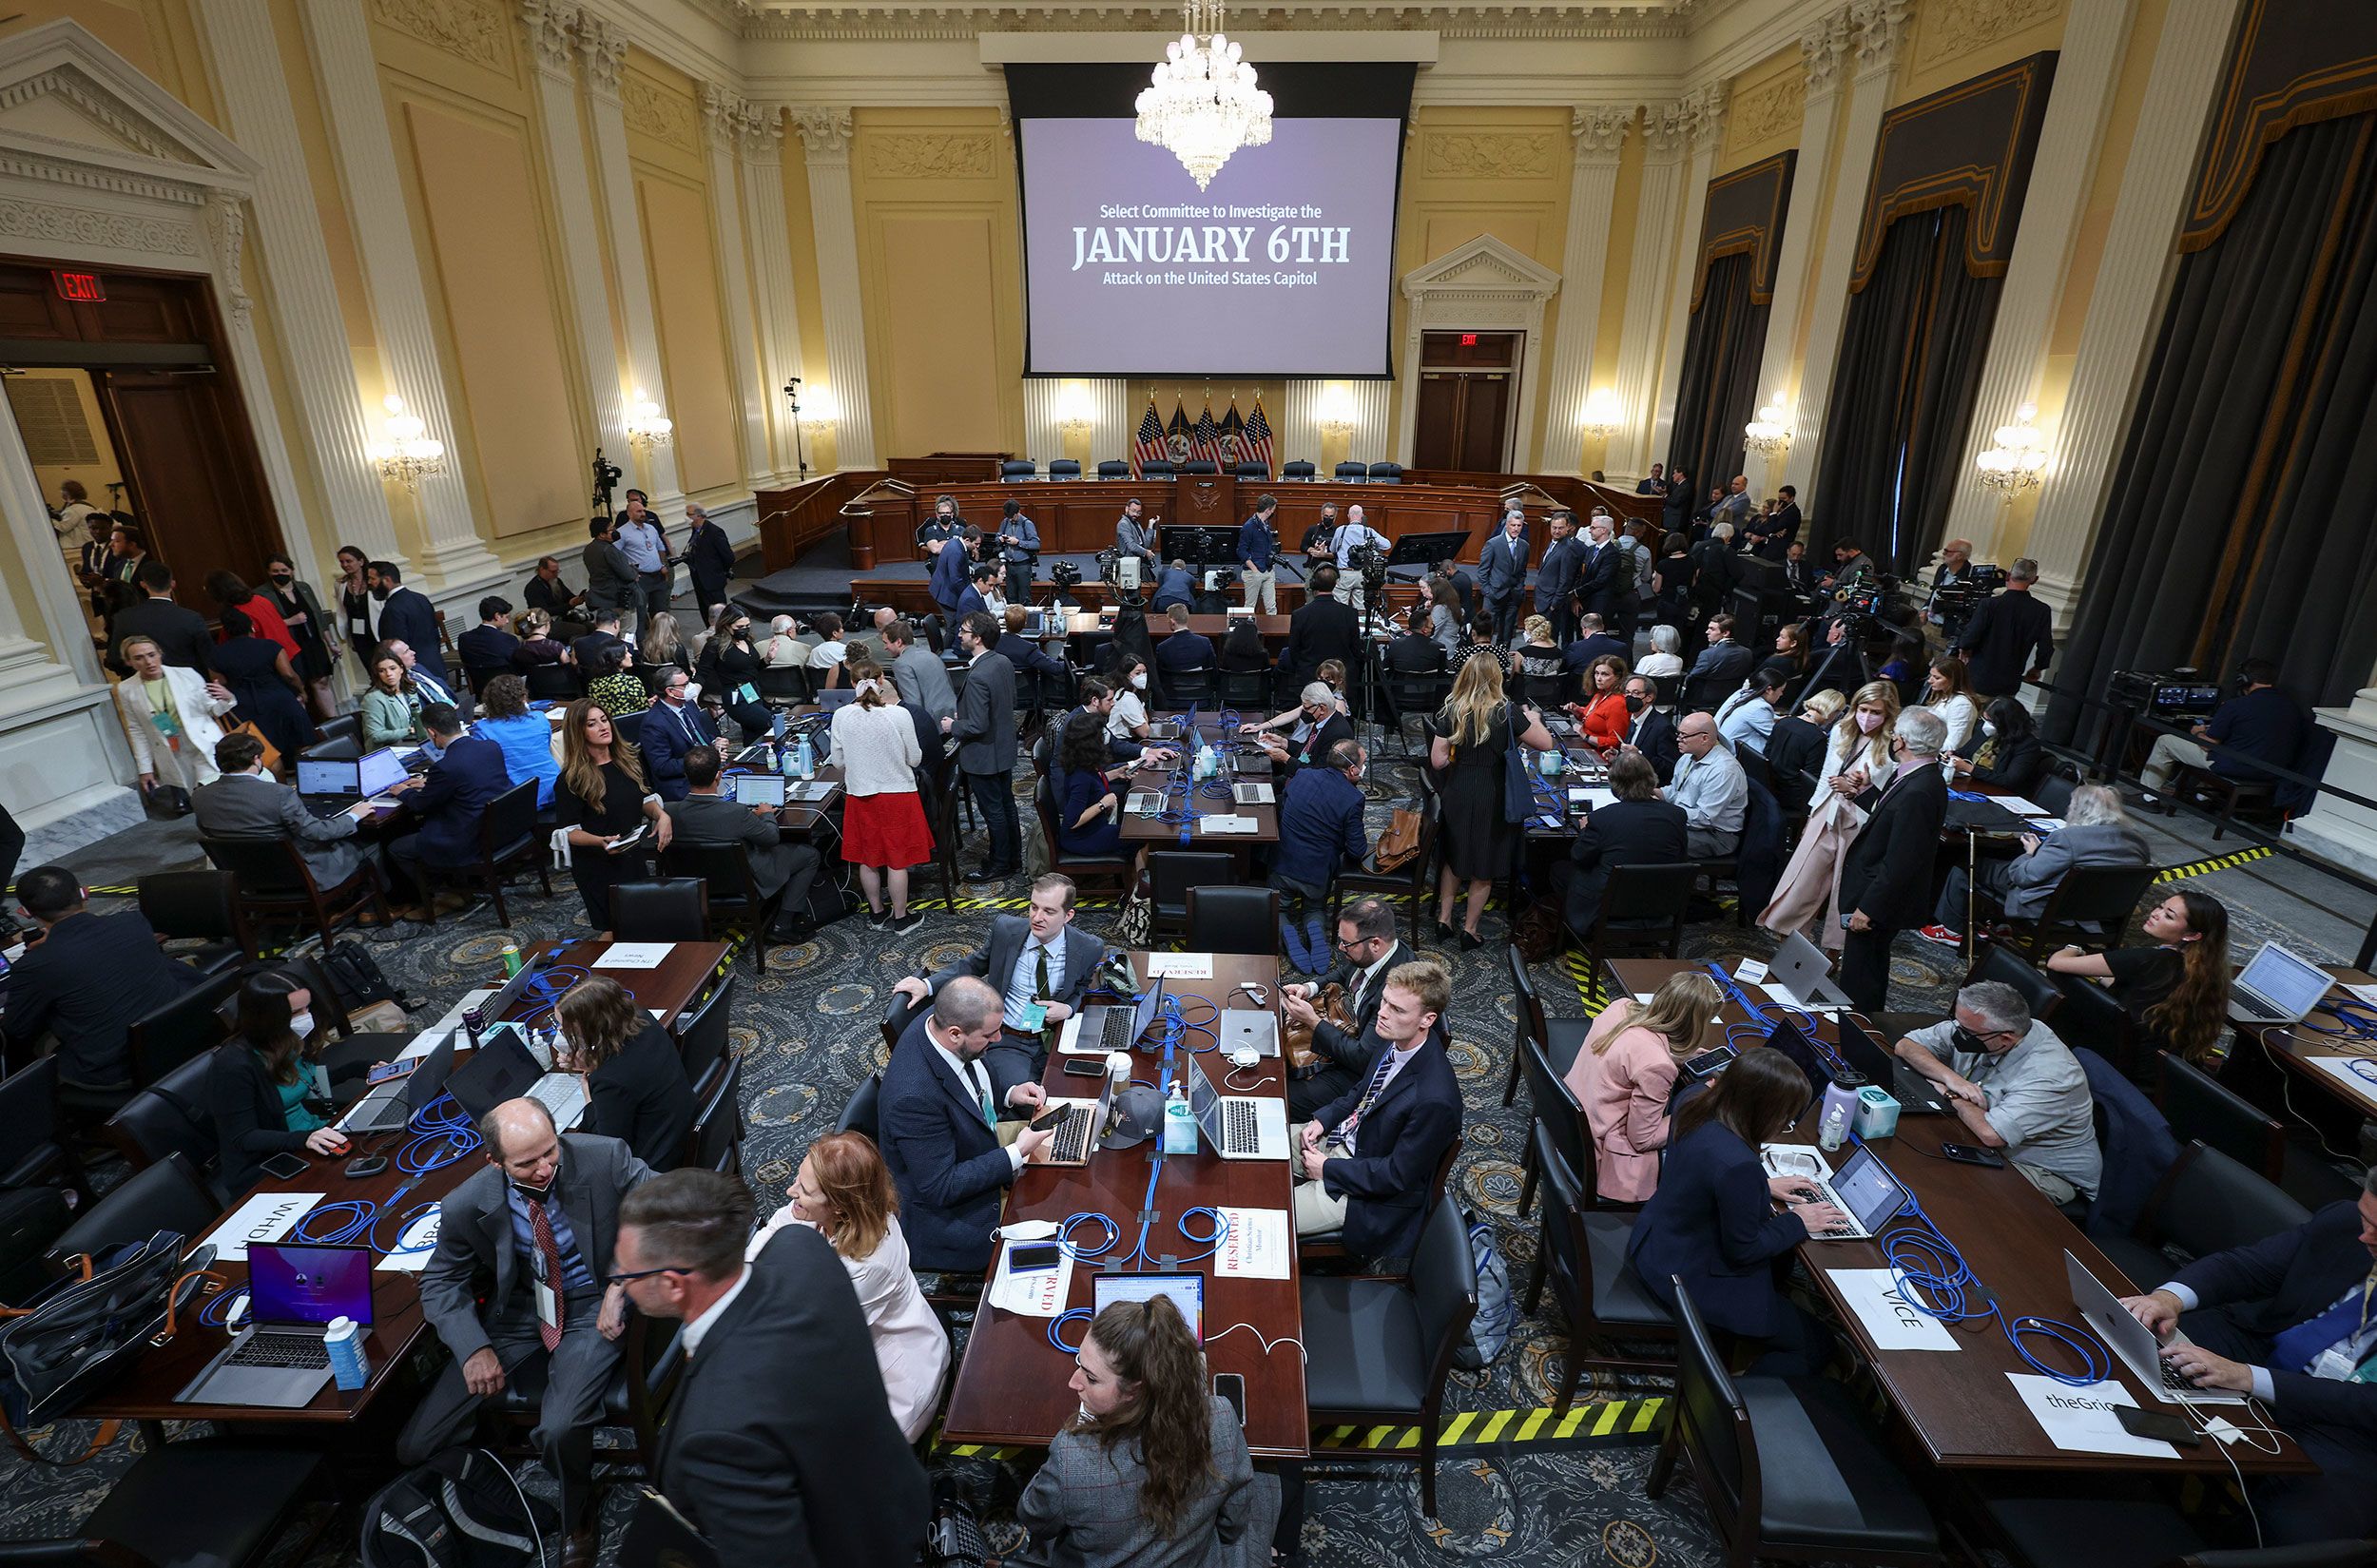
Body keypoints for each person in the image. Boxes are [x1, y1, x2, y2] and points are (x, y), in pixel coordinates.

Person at [617, 1171, 934, 1564]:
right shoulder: (801, 1248)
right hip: (889, 1499)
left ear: (673, 1285)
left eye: (625, 1276)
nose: (621, 1285)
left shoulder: (716, 1436)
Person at [400, 1100, 649, 1563]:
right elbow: (439, 1280)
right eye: (526, 1163)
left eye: (549, 1152)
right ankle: (499, 1497)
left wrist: (621, 1283)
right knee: (418, 1443)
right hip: (519, 1313)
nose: (544, 1168)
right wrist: (474, 1348)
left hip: (588, 1304)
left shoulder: (605, 1156)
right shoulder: (464, 1202)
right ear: (494, 1162)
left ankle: (577, 1510)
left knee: (559, 1427)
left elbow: (665, 1211)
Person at [1627, 1047, 1846, 1374]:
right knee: (1817, 1343)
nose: (1785, 1124)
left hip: (1656, 1244)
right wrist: (1798, 1221)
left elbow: (1701, 1171)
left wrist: (1761, 1189)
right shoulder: (1738, 1167)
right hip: (1690, 1280)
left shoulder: (1693, 1099)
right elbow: (1744, 1250)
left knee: (1780, 1268)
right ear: (1763, 1112)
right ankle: (1740, 1406)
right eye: (1785, 1117)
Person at [1017, 1293, 1265, 1565]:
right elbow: (1234, 1520)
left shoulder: (1072, 1458)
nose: (1073, 1382)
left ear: (1133, 1391)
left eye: (1091, 1377)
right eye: (1079, 1362)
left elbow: (1034, 1517)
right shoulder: (1222, 1418)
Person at [748, 1133, 952, 1445]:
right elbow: (774, 1229)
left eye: (803, 1190)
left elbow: (805, 1339)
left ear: (840, 1208)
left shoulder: (866, 1267)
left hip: (894, 1386)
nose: (790, 1191)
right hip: (844, 1352)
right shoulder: (850, 1212)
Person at [1286, 959, 1462, 1269]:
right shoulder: (1394, 1039)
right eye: (1384, 1001)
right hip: (1346, 1141)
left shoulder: (1435, 1100)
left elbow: (1396, 1176)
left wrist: (1329, 1169)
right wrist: (1322, 1120)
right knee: (1255, 1142)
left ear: (1427, 1019)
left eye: (1397, 1009)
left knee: (1271, 1214)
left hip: (1365, 1191)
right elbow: (1360, 1095)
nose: (1382, 1013)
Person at [879, 978, 1056, 1271]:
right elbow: (942, 1186)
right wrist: (1015, 1153)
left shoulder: (938, 1023)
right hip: (950, 1217)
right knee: (1057, 1222)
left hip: (976, 1144)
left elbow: (969, 1086)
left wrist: (1010, 1095)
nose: (999, 1039)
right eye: (990, 1034)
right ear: (955, 1034)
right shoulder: (912, 1099)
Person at [893, 873, 1109, 1096]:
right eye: (1034, 907)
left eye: (1049, 911)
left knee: (1087, 1086)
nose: (1037, 917)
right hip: (1009, 1040)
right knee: (1034, 1099)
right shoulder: (1006, 931)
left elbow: (1082, 984)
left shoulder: (1088, 947)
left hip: (1057, 1035)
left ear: (1068, 915)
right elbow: (973, 965)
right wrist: (927, 985)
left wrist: (1069, 1008)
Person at [1893, 980, 2100, 1203]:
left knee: (1945, 1191)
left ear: (2005, 1038)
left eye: (1966, 1031)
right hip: (1983, 1138)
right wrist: (1951, 1079)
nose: (1957, 1034)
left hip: (2040, 1170)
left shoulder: (2052, 1076)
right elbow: (1906, 1046)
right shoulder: (1983, 1029)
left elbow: (1992, 1134)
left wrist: (1951, 1095)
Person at [2, 864, 200, 1095]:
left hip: (115, 1073)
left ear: (26, 912)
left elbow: (17, 1028)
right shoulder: (134, 922)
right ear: (83, 894)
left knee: (29, 1047)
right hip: (181, 1038)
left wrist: (36, 956)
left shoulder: (36, 964)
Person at [195, 731, 406, 909]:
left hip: (247, 877)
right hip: (302, 873)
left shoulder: (199, 796)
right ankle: (381, 906)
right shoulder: (278, 794)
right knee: (371, 845)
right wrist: (354, 815)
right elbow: (318, 833)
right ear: (256, 759)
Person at [1759, 681, 1898, 946]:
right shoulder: (1841, 731)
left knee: (1842, 886)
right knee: (1806, 876)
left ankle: (1836, 948)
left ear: (1888, 714)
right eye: (1863, 709)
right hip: (1828, 808)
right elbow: (1826, 774)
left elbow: (1888, 792)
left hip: (1861, 819)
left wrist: (1859, 788)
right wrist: (1813, 812)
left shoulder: (1892, 746)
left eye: (1876, 712)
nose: (1867, 718)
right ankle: (1790, 933)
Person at [1923, 784, 2149, 946]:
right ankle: (1998, 923)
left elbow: (2024, 877)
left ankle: (1951, 928)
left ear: (2080, 810)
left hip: (2051, 906)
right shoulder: (2137, 843)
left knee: (1968, 863)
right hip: (2101, 911)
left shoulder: (2069, 839)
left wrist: (2032, 853)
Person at [1428, 657, 1555, 947]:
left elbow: (1436, 761)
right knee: (1484, 863)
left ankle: (1444, 920)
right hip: (1493, 792)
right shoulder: (1507, 712)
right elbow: (1546, 744)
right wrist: (1534, 720)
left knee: (1454, 855)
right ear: (1497, 679)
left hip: (1458, 790)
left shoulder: (1451, 709)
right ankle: (1470, 930)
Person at [1565, 971, 1723, 1203]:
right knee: (1705, 1155)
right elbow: (1643, 1139)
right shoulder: (1658, 1065)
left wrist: (1671, 1055)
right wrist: (1702, 1101)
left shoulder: (1621, 1007)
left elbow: (1633, 1052)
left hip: (1571, 1118)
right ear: (1696, 1025)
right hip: (1597, 1154)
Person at [1837, 707, 1952, 1013]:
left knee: (1862, 974)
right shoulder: (1916, 777)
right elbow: (1889, 820)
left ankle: (1858, 1031)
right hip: (1878, 891)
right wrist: (1863, 792)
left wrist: (1869, 907)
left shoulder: (1919, 789)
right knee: (1863, 967)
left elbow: (1902, 860)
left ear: (1901, 742)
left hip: (1879, 899)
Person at [204, 970, 352, 1195]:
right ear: (267, 1018)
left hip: (315, 1134)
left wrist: (358, 1068)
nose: (306, 1016)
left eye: (307, 1007)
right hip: (274, 1162)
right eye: (296, 1012)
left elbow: (302, 1084)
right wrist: (304, 1139)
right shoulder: (232, 1066)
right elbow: (243, 1137)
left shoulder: (288, 1038)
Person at [2048, 890, 2232, 1065]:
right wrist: (2098, 973)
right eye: (2160, 907)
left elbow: (2056, 963)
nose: (2155, 914)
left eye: (2169, 916)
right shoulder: (2203, 972)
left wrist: (2074, 948)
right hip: (2149, 1063)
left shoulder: (2147, 958)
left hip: (2108, 1051)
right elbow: (2140, 987)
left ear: (2192, 935)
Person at [1282, 898, 1417, 1119]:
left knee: (1278, 1095)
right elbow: (1346, 974)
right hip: (1343, 1036)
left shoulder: (1395, 994)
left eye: (1347, 943)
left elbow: (1362, 1058)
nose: (1341, 948)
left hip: (1355, 1076)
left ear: (1375, 943)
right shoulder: (1377, 953)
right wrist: (1310, 987)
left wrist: (1313, 1021)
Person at [665, 745, 822, 929]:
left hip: (695, 885)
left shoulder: (667, 813)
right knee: (810, 854)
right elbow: (771, 838)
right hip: (745, 880)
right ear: (719, 775)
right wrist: (766, 814)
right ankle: (784, 923)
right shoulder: (736, 812)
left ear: (686, 775)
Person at [547, 975, 693, 1170]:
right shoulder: (643, 1018)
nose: (560, 1032)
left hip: (654, 1167)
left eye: (565, 1028)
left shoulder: (609, 1080)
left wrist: (589, 1094)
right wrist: (595, 1061)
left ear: (590, 1028)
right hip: (678, 1131)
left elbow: (608, 1147)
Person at [553, 697, 672, 933]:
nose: (603, 727)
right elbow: (569, 832)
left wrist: (661, 815)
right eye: (592, 724)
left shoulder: (628, 759)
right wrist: (600, 841)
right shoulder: (571, 779)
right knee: (614, 927)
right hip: (597, 863)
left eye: (604, 720)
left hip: (630, 853)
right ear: (578, 732)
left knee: (641, 919)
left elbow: (644, 799)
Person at [832, 656, 930, 934]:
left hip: (860, 795)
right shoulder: (899, 715)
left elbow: (838, 763)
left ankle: (877, 914)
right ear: (881, 681)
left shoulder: (841, 716)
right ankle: (901, 918)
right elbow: (914, 758)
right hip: (898, 795)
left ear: (852, 683)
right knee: (897, 861)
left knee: (868, 858)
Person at [1548, 750, 1688, 939]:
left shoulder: (1603, 818)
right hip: (1660, 902)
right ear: (1651, 779)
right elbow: (1681, 857)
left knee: (1558, 869)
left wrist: (1584, 831)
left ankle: (1574, 933)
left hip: (1610, 903)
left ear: (1614, 784)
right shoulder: (1677, 815)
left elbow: (1579, 857)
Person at [2139, 656, 2310, 804]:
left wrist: (2198, 732)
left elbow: (2209, 745)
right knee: (2231, 747)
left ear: (2243, 680)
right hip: (2272, 771)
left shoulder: (2235, 706)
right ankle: (2202, 797)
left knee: (2166, 741)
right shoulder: (2292, 707)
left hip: (2236, 766)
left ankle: (2149, 796)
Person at [385, 703, 508, 903]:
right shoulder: (490, 746)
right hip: (497, 828)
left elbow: (420, 806)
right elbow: (471, 780)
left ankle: (441, 896)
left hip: (466, 839)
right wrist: (429, 784)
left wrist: (404, 792)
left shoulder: (445, 767)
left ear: (432, 733)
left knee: (396, 848)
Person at [114, 633, 238, 798]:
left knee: (211, 790)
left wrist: (227, 698)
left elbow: (212, 710)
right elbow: (137, 730)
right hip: (170, 747)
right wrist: (145, 769)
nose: (149, 662)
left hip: (202, 742)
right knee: (196, 795)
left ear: (160, 653)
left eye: (152, 655)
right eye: (139, 658)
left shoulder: (187, 674)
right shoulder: (126, 688)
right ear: (129, 662)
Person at [949, 611, 1020, 883]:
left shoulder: (979, 674)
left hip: (983, 755)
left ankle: (999, 864)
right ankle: (1013, 859)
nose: (959, 634)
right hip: (1003, 748)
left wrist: (952, 726)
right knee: (1007, 806)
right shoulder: (1002, 662)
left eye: (964, 631)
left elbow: (976, 725)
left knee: (994, 813)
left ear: (977, 639)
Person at [1272, 739, 1369, 935]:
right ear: (1352, 770)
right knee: (1314, 909)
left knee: (1278, 909)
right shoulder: (1353, 799)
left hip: (1283, 862)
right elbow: (1357, 850)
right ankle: (1314, 935)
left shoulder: (1303, 775)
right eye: (1362, 764)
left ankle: (1286, 935)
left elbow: (1284, 805)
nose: (1364, 768)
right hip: (1317, 872)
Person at [1950, 556, 2053, 698]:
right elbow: (2046, 646)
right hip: (2010, 682)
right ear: (2034, 580)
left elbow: (1971, 635)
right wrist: (2038, 668)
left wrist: (1964, 648)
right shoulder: (2042, 611)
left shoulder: (1989, 604)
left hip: (1977, 677)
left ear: (2008, 576)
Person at [261, 553, 337, 720]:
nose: (279, 574)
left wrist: (330, 642)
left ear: (292, 571)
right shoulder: (263, 594)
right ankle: (306, 727)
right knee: (296, 686)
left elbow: (318, 616)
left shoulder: (303, 587)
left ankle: (334, 721)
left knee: (321, 682)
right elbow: (266, 624)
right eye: (275, 571)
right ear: (268, 572)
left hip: (313, 642)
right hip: (288, 646)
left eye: (283, 570)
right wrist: (289, 621)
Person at [1664, 711, 1749, 860]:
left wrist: (1667, 813)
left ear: (1704, 738)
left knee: (1656, 839)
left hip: (1716, 836)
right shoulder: (1687, 757)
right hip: (1690, 823)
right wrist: (1653, 793)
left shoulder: (1723, 771)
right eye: (1679, 734)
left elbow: (1705, 818)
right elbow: (1675, 791)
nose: (1678, 739)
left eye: (1684, 736)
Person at [472, 674, 562, 807]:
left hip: (521, 799)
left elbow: (483, 766)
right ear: (523, 697)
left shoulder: (483, 729)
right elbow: (546, 745)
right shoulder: (540, 718)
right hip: (556, 790)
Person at [109, 561, 214, 673]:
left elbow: (115, 658)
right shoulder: (192, 618)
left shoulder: (125, 618)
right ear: (173, 584)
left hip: (147, 684)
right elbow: (209, 658)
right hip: (190, 683)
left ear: (143, 585)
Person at [1052, 710, 1129, 861]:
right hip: (1083, 838)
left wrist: (1116, 773)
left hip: (1095, 827)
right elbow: (1072, 821)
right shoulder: (1081, 777)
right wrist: (1103, 803)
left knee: (1132, 831)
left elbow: (1093, 785)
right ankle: (1138, 881)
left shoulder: (1083, 765)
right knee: (1137, 837)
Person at [364, 561, 449, 690]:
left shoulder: (392, 609)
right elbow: (435, 633)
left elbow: (393, 651)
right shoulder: (420, 598)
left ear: (386, 580)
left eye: (372, 578)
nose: (369, 582)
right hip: (435, 665)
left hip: (415, 674)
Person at [636, 664, 715, 803]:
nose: (690, 687)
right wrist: (701, 761)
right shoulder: (654, 724)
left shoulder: (688, 705)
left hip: (705, 772)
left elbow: (698, 737)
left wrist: (714, 743)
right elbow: (662, 766)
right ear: (670, 691)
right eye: (685, 684)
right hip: (681, 784)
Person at [1281, 564, 1360, 691]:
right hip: (1340, 676)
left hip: (1309, 676)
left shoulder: (1300, 614)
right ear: (1336, 584)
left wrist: (1303, 667)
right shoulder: (1350, 613)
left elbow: (1294, 649)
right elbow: (1355, 648)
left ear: (1314, 584)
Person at [1252, 682, 1353, 779]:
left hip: (1314, 786)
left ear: (1322, 708)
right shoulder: (1323, 720)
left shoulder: (1337, 733)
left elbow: (1319, 773)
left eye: (1306, 708)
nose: (1304, 712)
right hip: (1302, 774)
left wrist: (1286, 759)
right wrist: (1283, 743)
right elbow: (1308, 751)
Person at [1948, 695, 2046, 796]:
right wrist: (1952, 755)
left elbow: (2009, 780)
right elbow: (1966, 752)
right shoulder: (1985, 731)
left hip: (1999, 793)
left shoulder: (2027, 745)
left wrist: (1969, 769)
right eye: (1984, 719)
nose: (1986, 725)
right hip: (1973, 784)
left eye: (1990, 721)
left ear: (2006, 723)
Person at [875, 616, 953, 724]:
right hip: (952, 714)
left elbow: (913, 703)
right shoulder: (932, 655)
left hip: (932, 721)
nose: (885, 648)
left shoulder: (901, 664)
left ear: (898, 642)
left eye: (886, 643)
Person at [612, 491, 671, 630]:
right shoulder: (622, 532)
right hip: (641, 578)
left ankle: (662, 637)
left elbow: (660, 547)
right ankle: (640, 643)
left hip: (657, 575)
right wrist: (628, 571)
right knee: (639, 613)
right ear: (629, 513)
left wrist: (663, 564)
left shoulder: (651, 528)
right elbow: (615, 554)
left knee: (660, 611)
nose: (643, 514)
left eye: (643, 511)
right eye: (638, 511)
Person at [1611, 672, 1680, 783]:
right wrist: (1618, 756)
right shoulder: (1633, 719)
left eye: (1636, 693)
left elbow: (1670, 768)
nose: (1630, 697)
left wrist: (1639, 756)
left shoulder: (1663, 727)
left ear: (1649, 697)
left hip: (1647, 787)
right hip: (1627, 781)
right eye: (1627, 693)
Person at [1680, 613, 1754, 710]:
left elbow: (1692, 678)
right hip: (1732, 698)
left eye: (1712, 629)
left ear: (1725, 633)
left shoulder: (1707, 654)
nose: (1707, 632)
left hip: (1704, 700)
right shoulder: (1747, 653)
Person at [1712, 664, 1789, 757]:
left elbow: (1753, 716)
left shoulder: (1741, 693)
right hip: (1731, 754)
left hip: (1719, 743)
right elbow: (1776, 736)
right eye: (1781, 690)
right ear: (1769, 689)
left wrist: (1781, 719)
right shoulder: (1760, 707)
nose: (1781, 694)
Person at [1533, 510, 1585, 645]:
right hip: (1543, 599)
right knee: (1542, 639)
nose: (1556, 531)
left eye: (1560, 528)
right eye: (1554, 527)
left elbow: (1565, 580)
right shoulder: (1553, 544)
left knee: (1550, 640)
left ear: (1568, 528)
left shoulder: (1568, 548)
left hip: (1552, 604)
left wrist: (1554, 605)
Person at [359, 647, 426, 748]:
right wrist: (409, 731)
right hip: (389, 750)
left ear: (401, 669)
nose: (389, 674)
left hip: (414, 742)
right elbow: (376, 735)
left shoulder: (409, 689)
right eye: (382, 671)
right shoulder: (373, 699)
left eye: (392, 668)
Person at [1478, 511, 1529, 644]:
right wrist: (1487, 591)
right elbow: (1483, 570)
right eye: (1513, 525)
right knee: (1486, 631)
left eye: (1519, 525)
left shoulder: (1524, 546)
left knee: (1506, 634)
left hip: (1514, 595)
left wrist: (1520, 588)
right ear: (1506, 525)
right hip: (1494, 594)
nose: (1516, 528)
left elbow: (1522, 571)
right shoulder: (1493, 544)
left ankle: (1502, 660)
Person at [581, 514, 639, 627]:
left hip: (599, 598)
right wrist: (634, 572)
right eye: (611, 529)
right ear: (602, 534)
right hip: (617, 598)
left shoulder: (589, 549)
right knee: (627, 630)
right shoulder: (609, 550)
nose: (615, 532)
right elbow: (627, 574)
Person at [456, 596, 520, 693]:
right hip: (508, 693)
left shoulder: (464, 639)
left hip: (482, 693)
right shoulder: (509, 640)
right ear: (497, 616)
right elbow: (519, 668)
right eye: (506, 617)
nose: (507, 621)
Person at [681, 502, 736, 616]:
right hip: (699, 580)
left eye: (688, 514)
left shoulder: (714, 532)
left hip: (712, 580)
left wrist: (719, 571)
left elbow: (729, 557)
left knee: (719, 613)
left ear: (698, 516)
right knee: (705, 611)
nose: (686, 517)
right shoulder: (695, 531)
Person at [1920, 654, 1980, 752]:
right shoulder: (1943, 695)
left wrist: (1918, 747)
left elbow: (1951, 744)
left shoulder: (1962, 705)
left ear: (1952, 680)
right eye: (1931, 675)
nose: (1930, 681)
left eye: (1937, 678)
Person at [1572, 653, 1632, 750]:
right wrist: (1577, 711)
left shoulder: (1618, 704)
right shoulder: (1600, 693)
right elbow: (1591, 720)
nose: (1598, 678)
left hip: (1599, 754)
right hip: (1586, 745)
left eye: (1605, 674)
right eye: (1596, 673)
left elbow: (1615, 742)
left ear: (1618, 677)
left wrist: (1585, 736)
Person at [579, 639, 648, 721]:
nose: (630, 655)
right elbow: (644, 709)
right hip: (632, 725)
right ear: (617, 657)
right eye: (626, 653)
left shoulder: (594, 684)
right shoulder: (630, 681)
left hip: (609, 726)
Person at [1238, 492, 1279, 611]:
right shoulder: (1248, 527)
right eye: (1273, 510)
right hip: (1253, 573)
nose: (1273, 512)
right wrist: (1255, 570)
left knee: (1271, 607)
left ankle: (1273, 629)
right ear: (1268, 510)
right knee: (1250, 607)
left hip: (1268, 570)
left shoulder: (1266, 524)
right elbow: (1241, 551)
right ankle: (1247, 630)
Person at [523, 553, 584, 625]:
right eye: (553, 572)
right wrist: (569, 605)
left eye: (557, 571)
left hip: (564, 617)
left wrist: (578, 598)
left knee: (590, 625)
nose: (556, 574)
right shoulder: (533, 588)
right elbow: (543, 612)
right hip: (548, 622)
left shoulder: (557, 581)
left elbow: (568, 596)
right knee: (581, 629)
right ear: (542, 569)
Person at [1154, 603, 1214, 671]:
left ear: (1172, 621)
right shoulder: (1205, 642)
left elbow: (1159, 675)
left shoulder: (1163, 648)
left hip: (1173, 682)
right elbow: (1212, 670)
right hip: (1201, 681)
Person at [805, 610, 850, 688]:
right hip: (841, 695)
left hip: (818, 695)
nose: (843, 630)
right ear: (834, 633)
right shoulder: (846, 650)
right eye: (841, 628)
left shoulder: (814, 652)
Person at [1115, 496, 1159, 575]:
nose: (1135, 514)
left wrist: (1150, 526)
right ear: (1126, 509)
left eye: (1138, 512)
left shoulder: (1136, 524)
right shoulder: (1123, 524)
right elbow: (1132, 546)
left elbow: (1146, 545)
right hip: (1129, 564)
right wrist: (1146, 552)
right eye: (1133, 511)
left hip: (1140, 562)